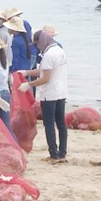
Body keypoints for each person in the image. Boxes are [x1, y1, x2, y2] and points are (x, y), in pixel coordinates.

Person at [18, 30, 68, 163]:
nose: (37, 46)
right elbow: (45, 69)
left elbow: (45, 78)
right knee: (61, 123)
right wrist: (27, 72)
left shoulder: (48, 55)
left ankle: (53, 154)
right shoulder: (59, 50)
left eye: (38, 43)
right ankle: (63, 153)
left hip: (49, 94)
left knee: (49, 124)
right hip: (61, 92)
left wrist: (28, 84)